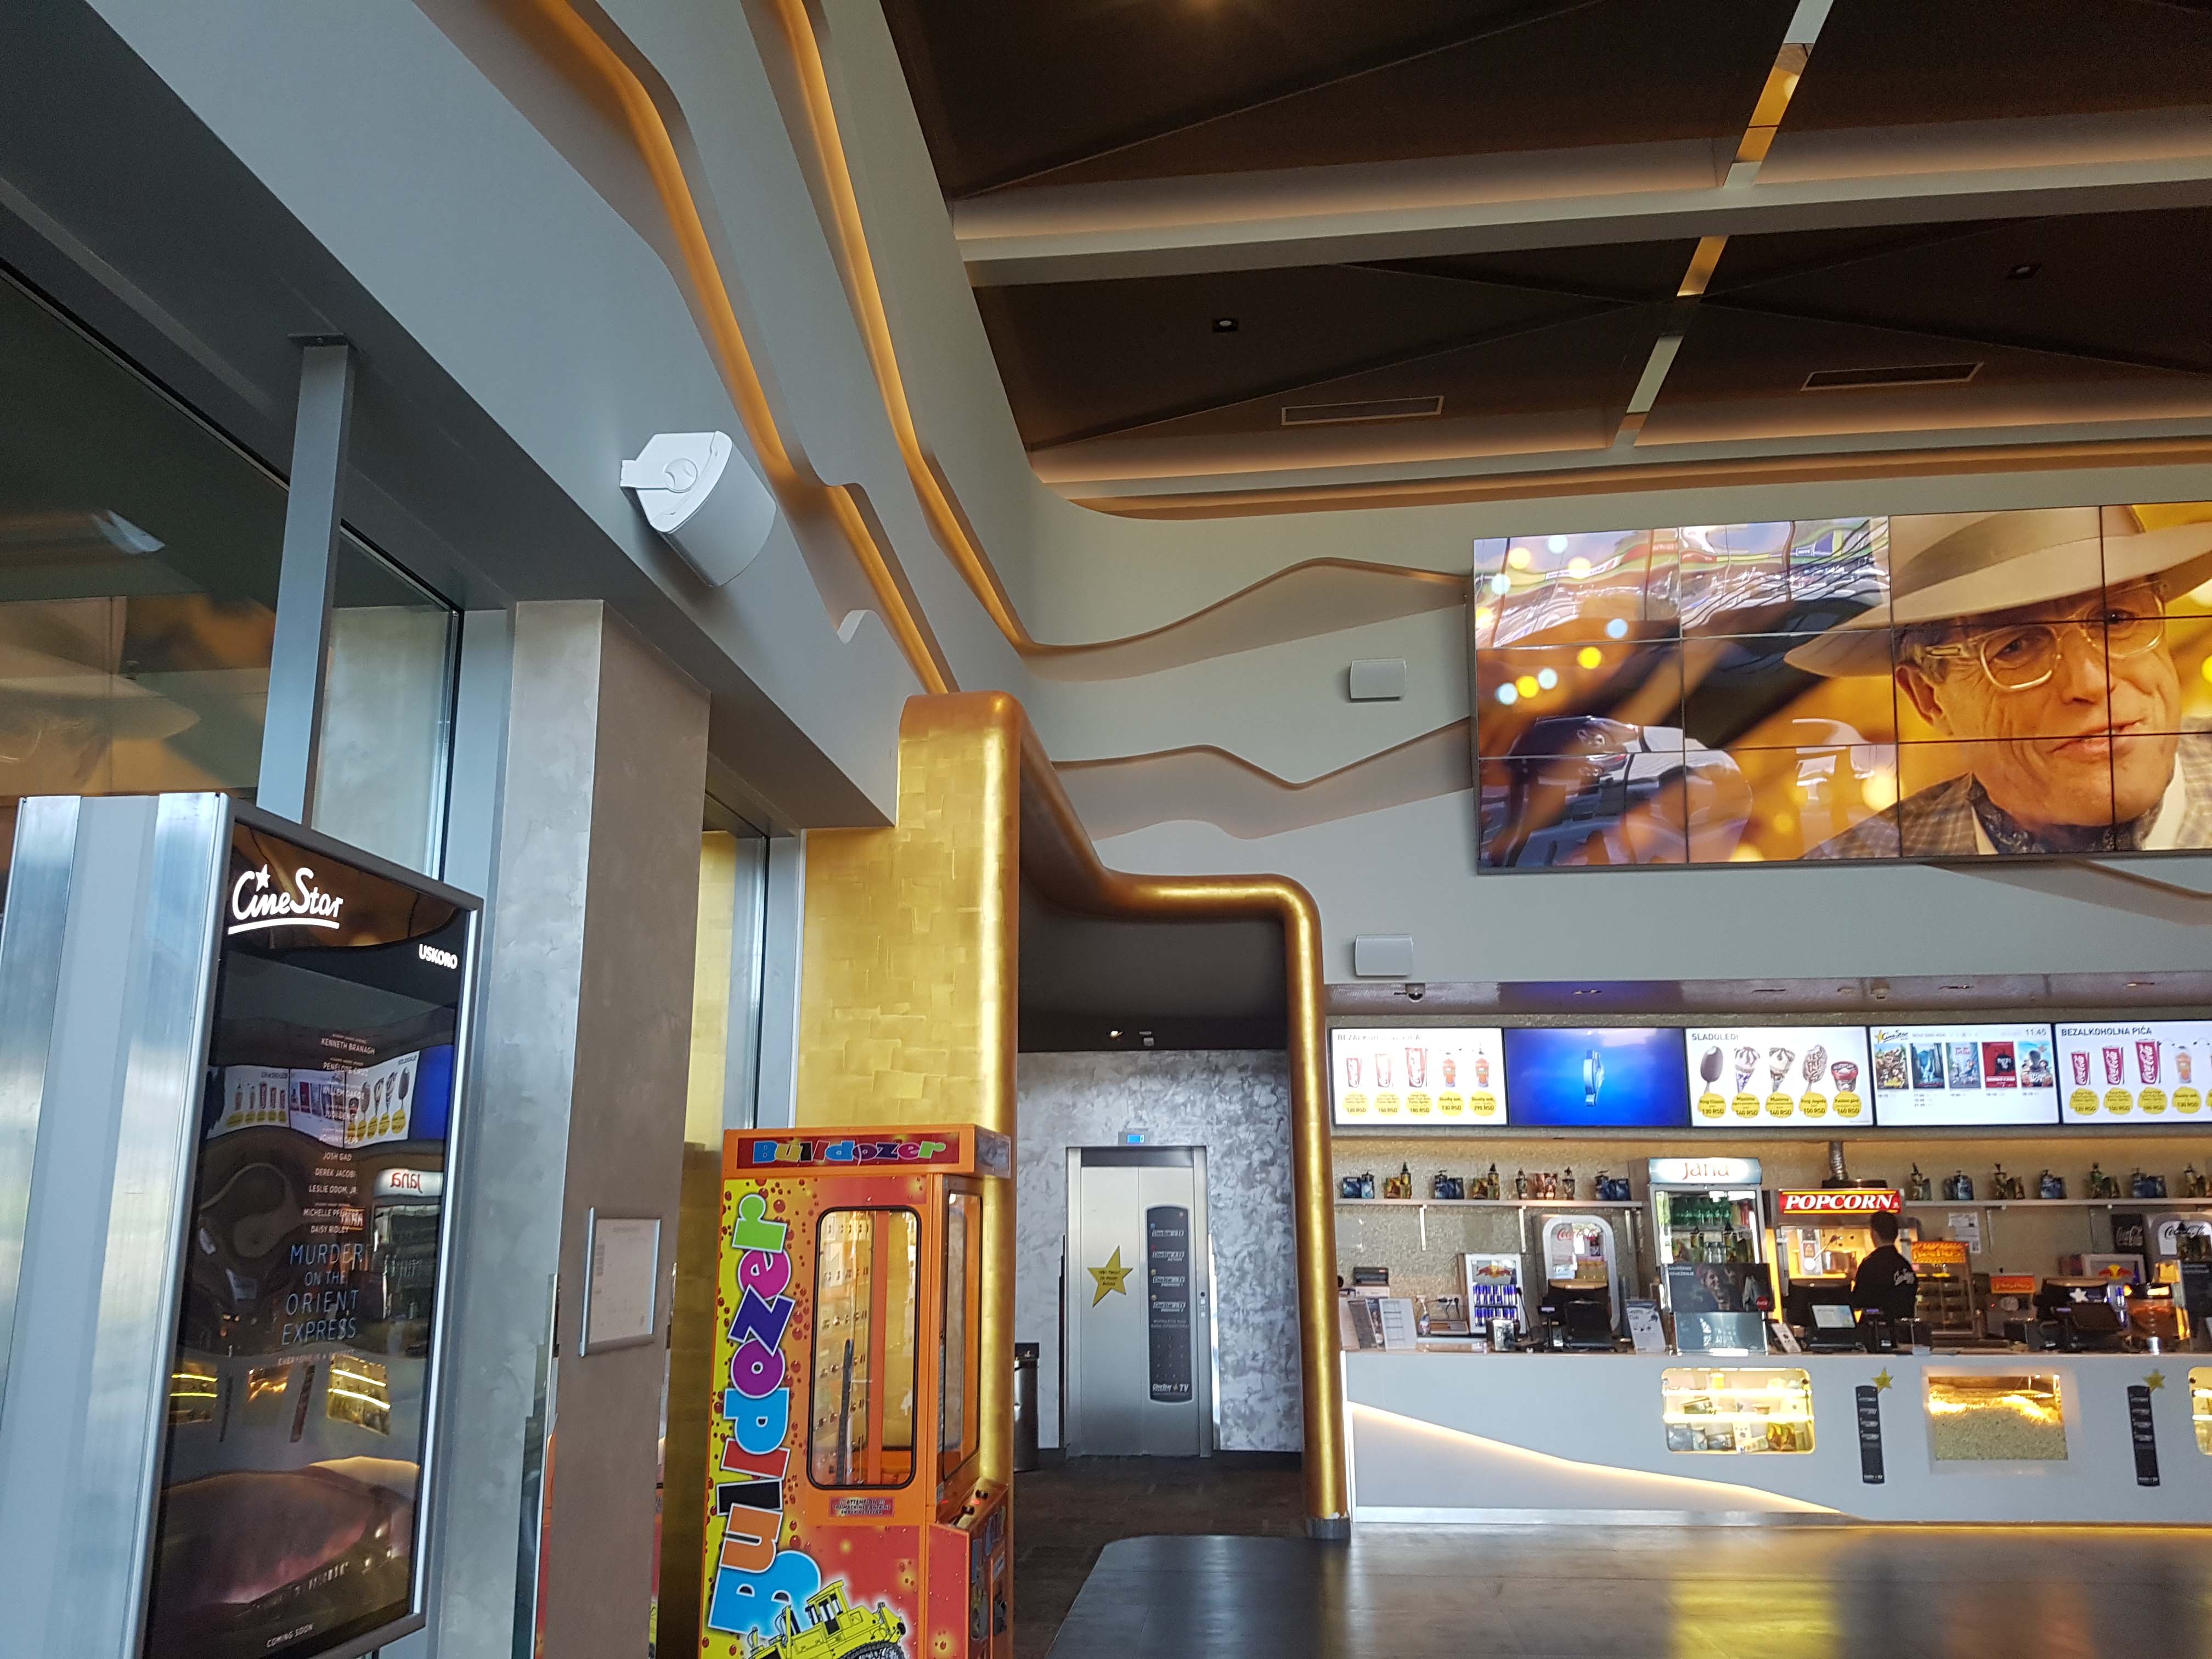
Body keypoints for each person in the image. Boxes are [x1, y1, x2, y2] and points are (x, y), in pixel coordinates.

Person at [1788, 508, 2212, 857]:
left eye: (2115, 620)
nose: (2091, 682)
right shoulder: (1846, 893)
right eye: (2015, 647)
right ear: (1928, 697)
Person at [1848, 1212, 1918, 1327]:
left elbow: (1858, 1302)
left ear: (1874, 1234)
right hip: (1905, 1330)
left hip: (1878, 1330)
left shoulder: (1871, 1264)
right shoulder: (1905, 1265)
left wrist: (1852, 1279)